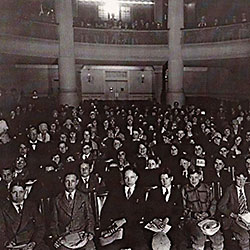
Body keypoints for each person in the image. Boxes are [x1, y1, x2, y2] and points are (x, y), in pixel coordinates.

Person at [101, 166, 149, 250]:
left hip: (134, 229)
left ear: (136, 178)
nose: (129, 180)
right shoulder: (115, 191)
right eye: (126, 177)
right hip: (117, 229)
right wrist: (112, 225)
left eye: (132, 177)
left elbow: (142, 212)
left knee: (142, 247)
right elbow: (106, 210)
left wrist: (124, 220)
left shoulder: (142, 192)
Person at [181, 166, 224, 250]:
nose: (194, 180)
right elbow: (183, 207)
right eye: (191, 177)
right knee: (200, 238)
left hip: (208, 218)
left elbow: (213, 203)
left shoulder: (206, 188)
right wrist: (193, 214)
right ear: (188, 177)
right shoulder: (184, 189)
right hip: (193, 220)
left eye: (196, 177)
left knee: (218, 238)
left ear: (200, 177)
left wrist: (208, 213)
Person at [50, 172, 96, 250]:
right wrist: (56, 237)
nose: (70, 184)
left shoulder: (83, 197)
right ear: (63, 182)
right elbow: (54, 222)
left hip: (81, 234)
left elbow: (89, 217)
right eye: (67, 181)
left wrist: (90, 232)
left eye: (72, 181)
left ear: (77, 182)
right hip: (64, 236)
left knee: (91, 248)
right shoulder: (57, 199)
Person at [0, 180, 49, 249]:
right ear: (10, 193)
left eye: (21, 192)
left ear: (25, 192)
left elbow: (41, 227)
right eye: (14, 192)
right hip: (13, 244)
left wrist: (34, 242)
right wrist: (6, 242)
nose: (18, 195)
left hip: (31, 243)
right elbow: (1, 230)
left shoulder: (32, 206)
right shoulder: (3, 208)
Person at [145, 167, 183, 248]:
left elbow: (179, 210)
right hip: (155, 225)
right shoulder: (153, 192)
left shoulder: (176, 192)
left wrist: (168, 219)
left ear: (171, 178)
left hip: (171, 224)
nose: (164, 181)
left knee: (178, 241)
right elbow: (148, 209)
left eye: (166, 178)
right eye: (162, 179)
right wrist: (155, 220)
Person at [218, 171, 250, 250]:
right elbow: (221, 206)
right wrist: (232, 214)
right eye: (238, 179)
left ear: (246, 179)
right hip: (234, 219)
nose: (241, 182)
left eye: (243, 179)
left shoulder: (248, 188)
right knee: (244, 236)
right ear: (235, 179)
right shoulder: (230, 189)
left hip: (247, 217)